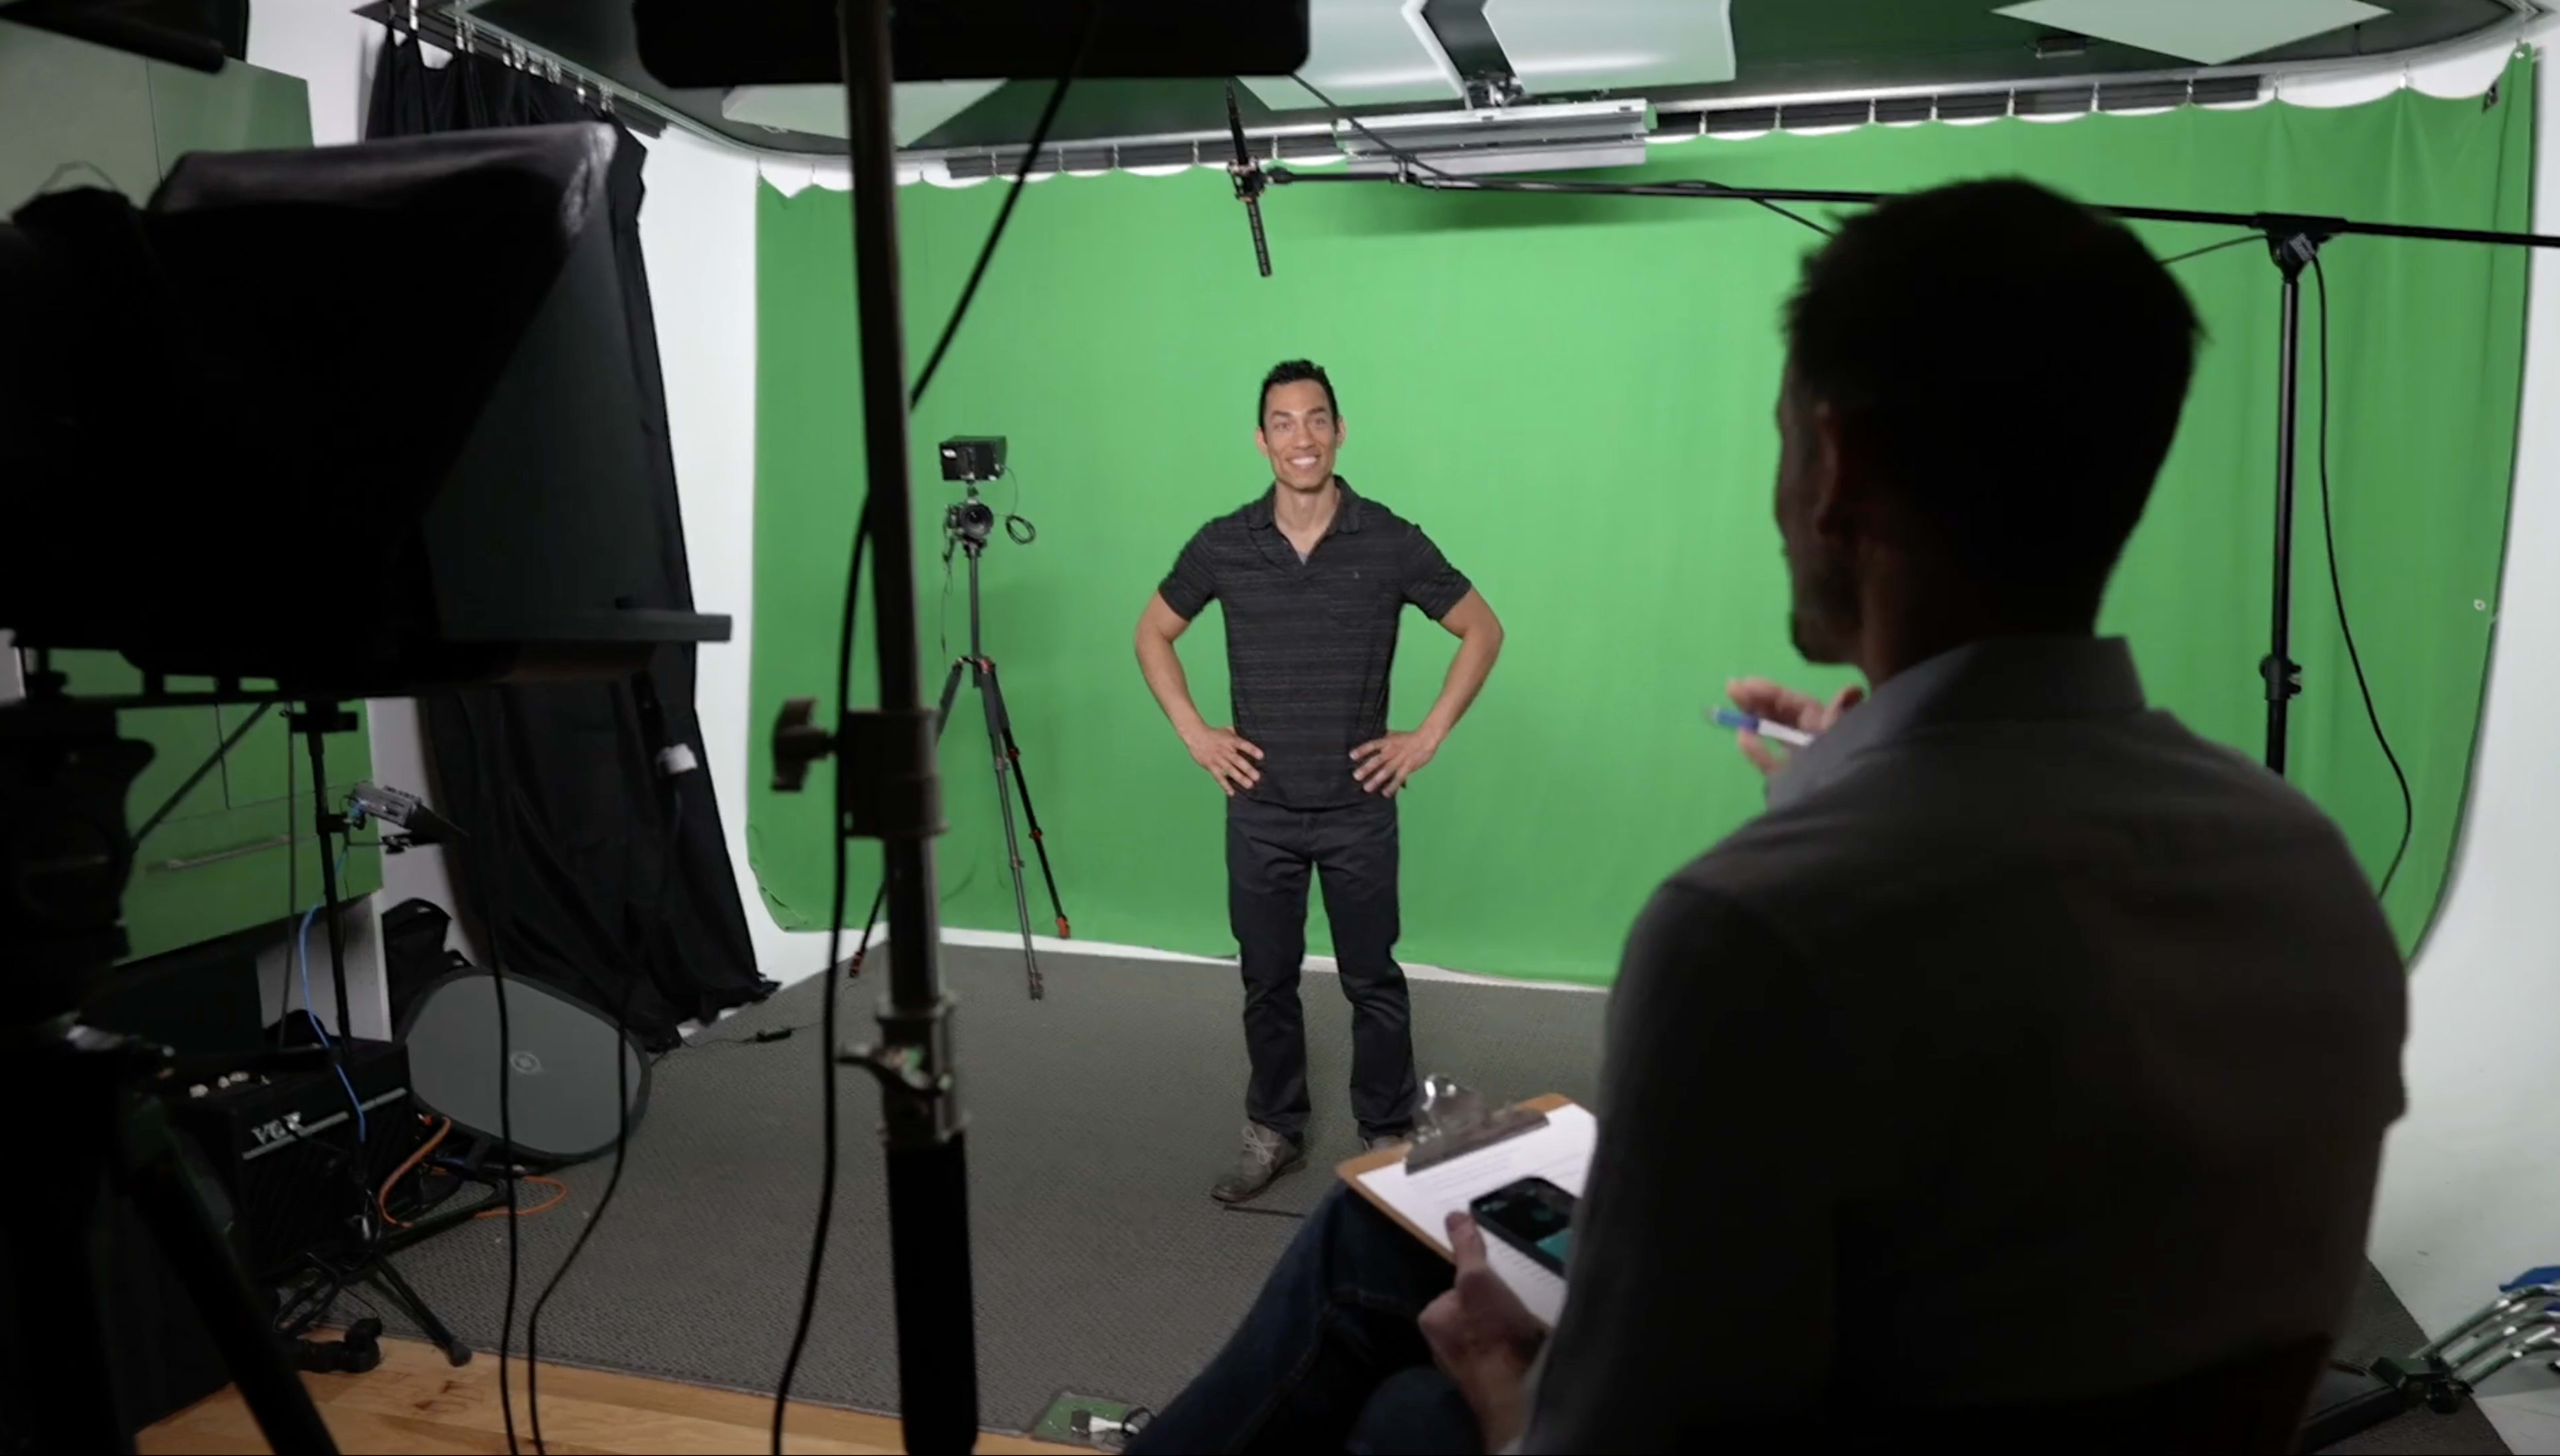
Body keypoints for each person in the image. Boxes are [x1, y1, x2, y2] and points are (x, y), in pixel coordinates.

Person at [1128, 179, 2407, 1451]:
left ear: (1834, 466)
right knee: (1367, 1213)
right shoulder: (2310, 871)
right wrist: (1866, 784)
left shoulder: (1747, 933)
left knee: (1408, 1381)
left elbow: (1636, 1413)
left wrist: (1505, 1388)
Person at [1136, 360, 1505, 1203]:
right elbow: (1152, 634)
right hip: (1259, 810)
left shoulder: (1389, 539)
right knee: (1265, 978)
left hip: (1357, 810)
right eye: (1282, 422)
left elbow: (1482, 629)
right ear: (1260, 439)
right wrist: (1197, 733)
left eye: (1315, 420)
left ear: (1340, 431)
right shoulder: (1224, 543)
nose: (1300, 438)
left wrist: (1427, 736)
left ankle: (1389, 1132)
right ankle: (1276, 1129)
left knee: (1372, 978)